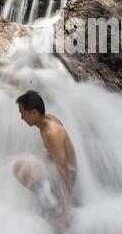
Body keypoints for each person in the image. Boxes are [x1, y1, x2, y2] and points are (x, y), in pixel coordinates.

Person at [14, 90, 77, 226]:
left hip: (68, 175)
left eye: (22, 113)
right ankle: (50, 201)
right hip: (57, 170)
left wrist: (68, 210)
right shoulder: (48, 121)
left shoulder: (51, 131)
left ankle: (57, 207)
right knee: (24, 166)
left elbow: (64, 169)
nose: (22, 118)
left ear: (34, 113)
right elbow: (55, 152)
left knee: (19, 168)